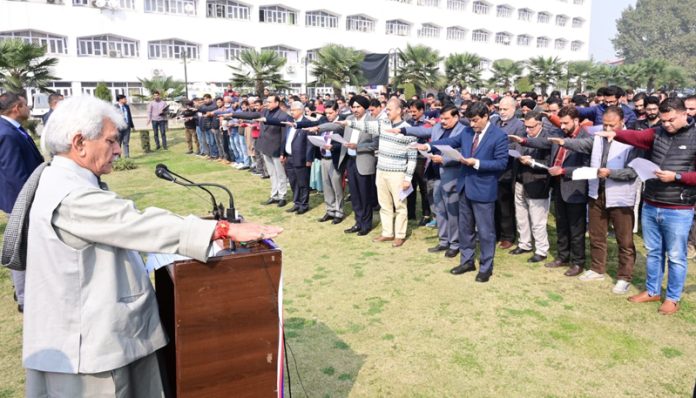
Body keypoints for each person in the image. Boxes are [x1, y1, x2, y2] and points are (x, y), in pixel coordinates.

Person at [6, 95, 281, 396]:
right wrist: (221, 229)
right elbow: (134, 223)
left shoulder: (60, 176)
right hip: (91, 350)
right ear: (80, 142)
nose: (117, 149)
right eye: (111, 141)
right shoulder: (72, 194)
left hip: (88, 333)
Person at [596, 98, 696, 315]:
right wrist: (616, 133)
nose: (666, 124)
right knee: (653, 252)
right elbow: (639, 137)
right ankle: (652, 291)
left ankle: (672, 297)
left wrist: (677, 176)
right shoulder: (658, 132)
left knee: (676, 256)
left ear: (683, 115)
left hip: (678, 207)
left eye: (670, 120)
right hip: (651, 203)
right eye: (663, 120)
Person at [549, 106, 640, 294]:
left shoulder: (632, 142)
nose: (607, 129)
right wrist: (563, 142)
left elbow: (633, 172)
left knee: (625, 240)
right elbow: (582, 145)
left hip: (620, 197)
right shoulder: (598, 137)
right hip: (596, 192)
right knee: (597, 235)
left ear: (622, 122)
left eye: (611, 125)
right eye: (605, 124)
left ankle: (624, 277)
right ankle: (597, 268)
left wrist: (612, 173)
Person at [420, 102, 509, 283]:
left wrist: (475, 163)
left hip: (483, 190)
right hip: (464, 188)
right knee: (465, 228)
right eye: (470, 121)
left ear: (485, 116)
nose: (473, 125)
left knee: (485, 232)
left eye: (476, 121)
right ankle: (467, 261)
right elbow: (450, 142)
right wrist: (429, 147)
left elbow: (501, 163)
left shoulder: (499, 136)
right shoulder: (468, 132)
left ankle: (486, 267)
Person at [511, 106, 590, 277]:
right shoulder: (559, 133)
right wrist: (524, 141)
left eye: (565, 123)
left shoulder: (586, 138)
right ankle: (563, 256)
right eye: (560, 123)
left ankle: (578, 262)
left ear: (576, 121)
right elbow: (544, 142)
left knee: (576, 228)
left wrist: (564, 171)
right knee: (561, 225)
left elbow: (586, 167)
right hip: (558, 186)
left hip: (575, 188)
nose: (562, 126)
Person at [343, 98, 417, 247]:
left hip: (398, 174)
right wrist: (347, 123)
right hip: (381, 171)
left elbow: (413, 157)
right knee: (384, 204)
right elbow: (365, 126)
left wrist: (407, 178)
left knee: (400, 206)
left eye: (389, 109)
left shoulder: (408, 130)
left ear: (399, 110)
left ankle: (400, 235)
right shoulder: (383, 124)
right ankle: (387, 233)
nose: (386, 112)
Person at [0, 92, 44, 313]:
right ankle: (24, 297)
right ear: (17, 107)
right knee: (20, 248)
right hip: (21, 201)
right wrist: (29, 203)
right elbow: (15, 175)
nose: (29, 108)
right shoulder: (7, 133)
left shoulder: (13, 128)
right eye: (26, 105)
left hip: (22, 199)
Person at [402, 106, 465, 258]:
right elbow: (423, 131)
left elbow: (463, 154)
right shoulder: (438, 127)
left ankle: (455, 243)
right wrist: (403, 130)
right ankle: (443, 241)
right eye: (441, 118)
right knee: (439, 210)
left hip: (452, 174)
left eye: (446, 119)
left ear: (456, 117)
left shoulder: (464, 131)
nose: (442, 121)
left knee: (453, 212)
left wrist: (444, 159)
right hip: (435, 174)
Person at [316, 95, 377, 235]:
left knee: (364, 195)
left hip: (364, 161)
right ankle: (358, 222)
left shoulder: (372, 121)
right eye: (353, 107)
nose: (355, 110)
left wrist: (358, 146)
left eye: (358, 107)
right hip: (350, 160)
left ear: (365, 107)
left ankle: (366, 225)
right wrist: (317, 128)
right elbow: (334, 125)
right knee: (354, 195)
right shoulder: (349, 119)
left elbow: (375, 144)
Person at [512, 112, 558, 263]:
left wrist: (531, 162)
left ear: (540, 124)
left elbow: (551, 164)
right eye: (526, 126)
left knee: (538, 220)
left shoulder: (548, 139)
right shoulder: (523, 136)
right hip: (520, 180)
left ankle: (541, 249)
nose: (528, 130)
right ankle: (524, 244)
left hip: (538, 182)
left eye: (531, 127)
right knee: (521, 216)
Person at [235, 95, 290, 207]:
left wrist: (282, 153)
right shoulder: (265, 112)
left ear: (277, 103)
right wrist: (231, 115)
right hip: (265, 147)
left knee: (280, 174)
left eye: (269, 102)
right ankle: (274, 195)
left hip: (276, 149)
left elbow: (284, 136)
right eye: (266, 102)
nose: (267, 104)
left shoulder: (283, 115)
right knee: (272, 174)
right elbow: (250, 116)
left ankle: (282, 195)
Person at [494, 96, 526, 249]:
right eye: (500, 109)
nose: (502, 112)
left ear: (514, 109)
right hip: (492, 169)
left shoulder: (519, 126)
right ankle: (495, 232)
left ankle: (508, 235)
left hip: (507, 170)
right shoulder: (494, 122)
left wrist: (499, 151)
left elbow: (517, 149)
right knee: (493, 203)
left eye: (505, 109)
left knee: (505, 205)